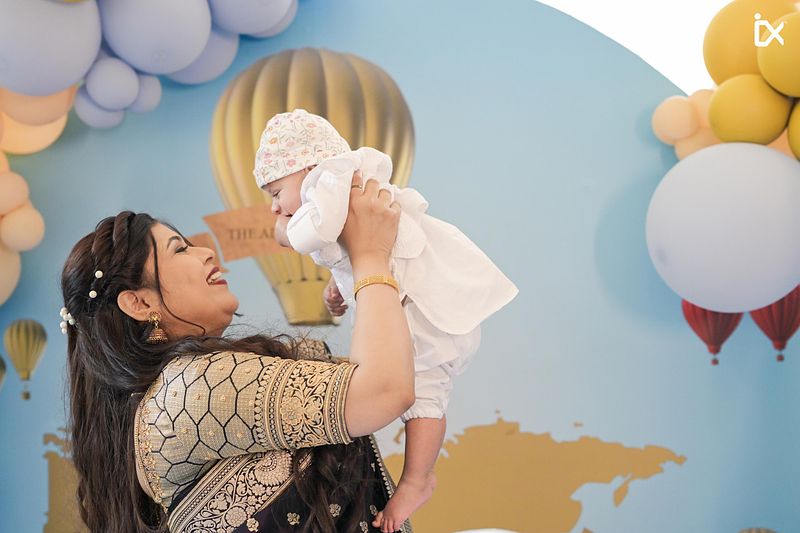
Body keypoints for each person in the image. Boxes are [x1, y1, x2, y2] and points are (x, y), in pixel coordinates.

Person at [60, 174, 416, 532]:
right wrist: (369, 255)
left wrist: (347, 270)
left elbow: (379, 372)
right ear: (139, 303)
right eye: (179, 250)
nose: (205, 252)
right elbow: (384, 389)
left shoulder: (183, 389)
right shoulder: (191, 388)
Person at [255, 109, 519, 531]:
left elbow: (312, 232)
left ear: (305, 167)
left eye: (275, 191)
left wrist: (282, 233)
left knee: (424, 397)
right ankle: (418, 477)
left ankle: (417, 479)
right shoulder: (341, 188)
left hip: (425, 315)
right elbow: (353, 250)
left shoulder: (330, 179)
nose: (274, 207)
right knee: (424, 397)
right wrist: (338, 286)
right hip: (422, 308)